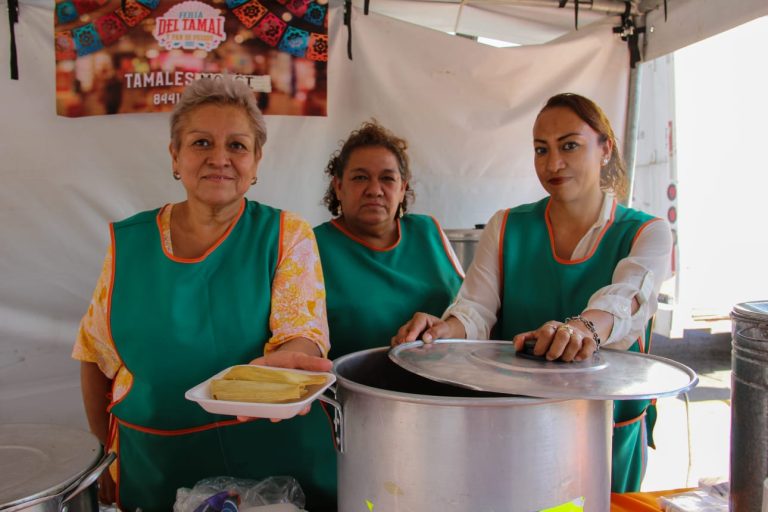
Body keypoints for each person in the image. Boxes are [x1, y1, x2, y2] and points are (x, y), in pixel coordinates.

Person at [72, 77, 334, 512]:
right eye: (201, 143)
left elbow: (300, 331)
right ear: (175, 156)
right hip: (154, 460)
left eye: (237, 145)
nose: (220, 159)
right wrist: (103, 457)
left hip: (270, 458)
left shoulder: (286, 234)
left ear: (256, 161)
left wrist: (290, 362)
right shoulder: (128, 242)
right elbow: (94, 354)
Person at [393, 93, 673, 493]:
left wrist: (580, 330)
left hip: (604, 436)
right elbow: (474, 311)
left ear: (605, 148)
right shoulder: (507, 227)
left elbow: (624, 301)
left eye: (570, 146)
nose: (553, 163)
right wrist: (439, 332)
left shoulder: (646, 233)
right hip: (516, 432)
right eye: (542, 149)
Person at [314, 120, 464, 357]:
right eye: (360, 178)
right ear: (339, 186)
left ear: (403, 188)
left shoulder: (428, 230)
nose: (375, 190)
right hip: (354, 386)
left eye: (387, 178)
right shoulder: (312, 246)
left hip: (446, 381)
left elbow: (469, 308)